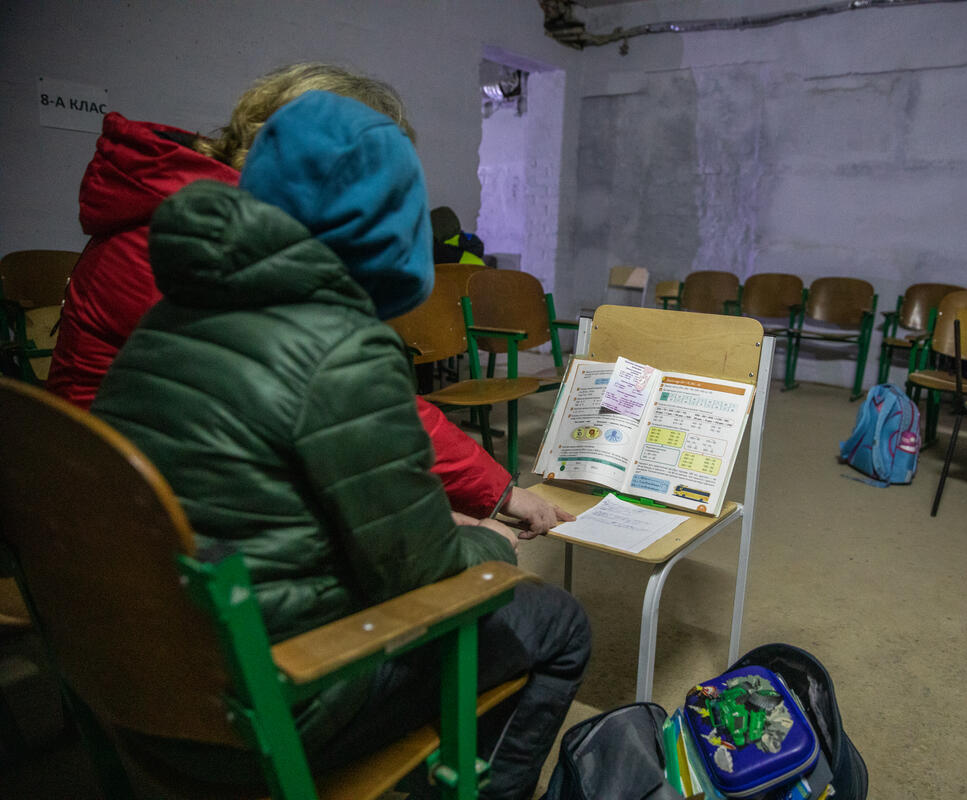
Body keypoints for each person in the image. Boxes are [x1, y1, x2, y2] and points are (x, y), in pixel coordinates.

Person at [90, 90, 590, 798]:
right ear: (392, 230)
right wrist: (491, 550)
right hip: (272, 707)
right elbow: (428, 579)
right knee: (557, 623)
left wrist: (440, 520)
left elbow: (260, 500)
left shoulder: (168, 317)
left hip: (139, 687)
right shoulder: (344, 349)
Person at [46, 62, 568, 532]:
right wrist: (483, 500)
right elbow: (353, 400)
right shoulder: (198, 247)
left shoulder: (205, 221)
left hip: (153, 482)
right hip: (132, 520)